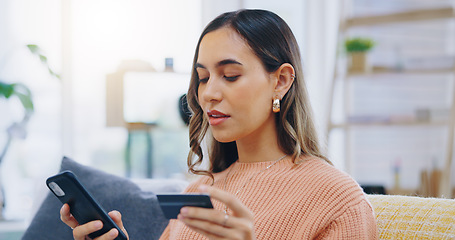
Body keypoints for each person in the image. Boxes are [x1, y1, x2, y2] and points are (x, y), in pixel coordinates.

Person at [61, 9, 378, 239]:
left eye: (230, 76)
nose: (208, 93)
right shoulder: (202, 189)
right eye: (202, 78)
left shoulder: (339, 200)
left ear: (281, 81)